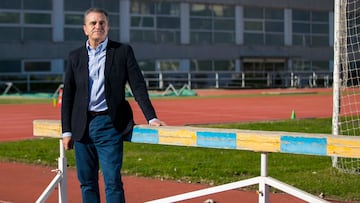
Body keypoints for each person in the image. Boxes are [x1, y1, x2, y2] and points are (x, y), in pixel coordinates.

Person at [61, 7, 165, 203]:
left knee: (113, 182)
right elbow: (68, 96)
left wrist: (151, 117)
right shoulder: (75, 56)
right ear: (85, 29)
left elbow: (138, 86)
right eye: (93, 23)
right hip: (81, 127)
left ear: (108, 27)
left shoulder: (122, 52)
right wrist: (67, 131)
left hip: (109, 125)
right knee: (87, 182)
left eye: (102, 23)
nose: (97, 26)